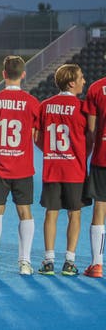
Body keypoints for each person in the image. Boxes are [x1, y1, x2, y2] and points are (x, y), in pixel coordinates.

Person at [0, 56, 40, 276]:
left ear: (3, 74)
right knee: (25, 212)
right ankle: (25, 263)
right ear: (23, 74)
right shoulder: (32, 102)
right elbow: (34, 133)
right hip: (22, 165)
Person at [35, 64, 89, 276]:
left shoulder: (45, 105)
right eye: (81, 77)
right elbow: (90, 137)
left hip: (53, 166)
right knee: (74, 214)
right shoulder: (82, 107)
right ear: (72, 82)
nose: (84, 81)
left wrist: (49, 150)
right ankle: (69, 262)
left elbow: (36, 136)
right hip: (74, 169)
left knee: (51, 213)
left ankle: (48, 261)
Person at [83, 70, 106, 278]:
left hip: (102, 156)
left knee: (100, 207)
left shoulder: (96, 88)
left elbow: (91, 129)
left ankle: (97, 265)